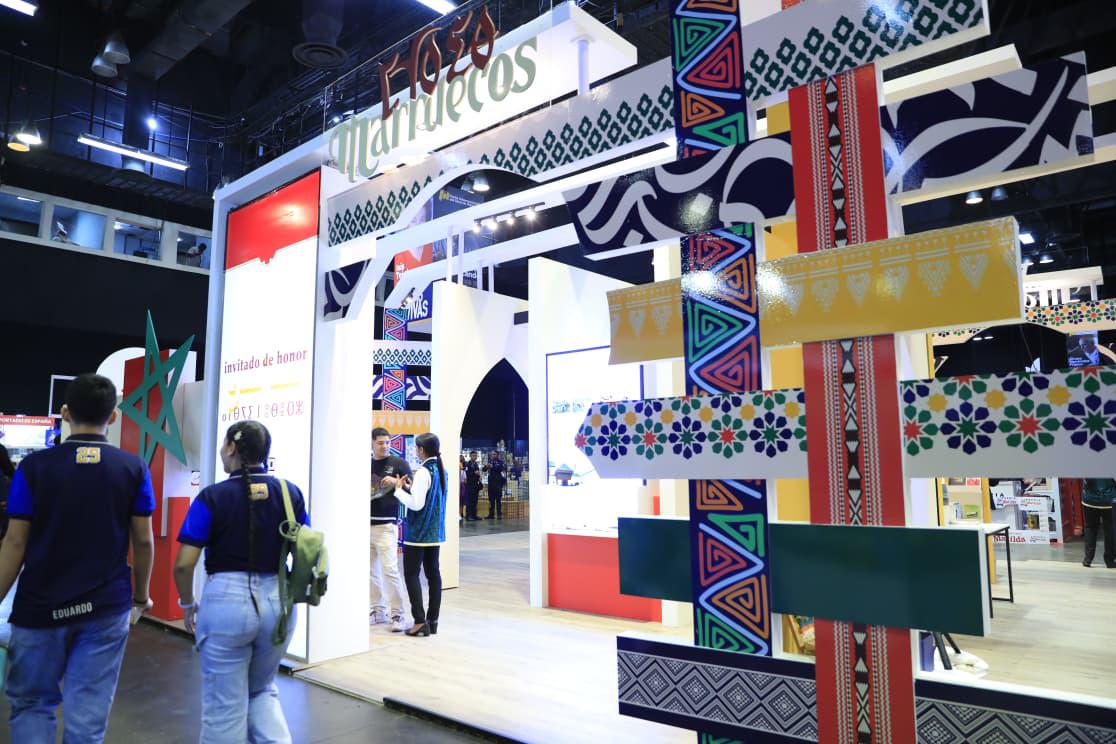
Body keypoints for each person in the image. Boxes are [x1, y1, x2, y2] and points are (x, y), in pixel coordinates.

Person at [0, 373, 155, 743]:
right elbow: (143, 541)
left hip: (39, 606)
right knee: (88, 714)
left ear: (65, 412)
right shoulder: (133, 468)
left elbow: (15, 542)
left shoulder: (33, 468)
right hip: (105, 607)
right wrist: (140, 597)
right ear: (113, 416)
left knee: (32, 704)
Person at [174, 420, 309, 743]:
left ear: (232, 448)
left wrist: (187, 603)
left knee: (224, 706)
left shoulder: (212, 497)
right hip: (279, 601)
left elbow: (184, 564)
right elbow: (306, 546)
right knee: (261, 690)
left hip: (226, 604)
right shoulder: (290, 493)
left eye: (224, 445)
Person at [395, 433, 448, 637]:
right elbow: (429, 498)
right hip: (434, 534)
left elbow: (417, 504)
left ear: (422, 450)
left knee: (411, 574)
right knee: (434, 575)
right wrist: (410, 487)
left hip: (418, 534)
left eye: (417, 448)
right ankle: (432, 621)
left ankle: (419, 621)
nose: (416, 451)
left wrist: (399, 490)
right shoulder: (441, 470)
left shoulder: (424, 472)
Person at [369, 427, 411, 632]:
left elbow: (412, 489)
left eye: (387, 442)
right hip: (364, 525)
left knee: (390, 570)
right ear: (372, 443)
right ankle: (377, 611)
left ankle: (398, 615)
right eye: (380, 443)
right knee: (370, 572)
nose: (384, 446)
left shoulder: (399, 463)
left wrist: (396, 482)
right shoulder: (364, 463)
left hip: (387, 526)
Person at [1081, 478, 1115, 569]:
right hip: (1109, 499)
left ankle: (1088, 559)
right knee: (1110, 529)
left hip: (1089, 498)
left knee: (1090, 527)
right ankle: (1110, 561)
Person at [463, 451, 482, 522]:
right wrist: (474, 473)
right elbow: (466, 473)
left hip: (475, 485)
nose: (475, 457)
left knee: (475, 500)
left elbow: (478, 473)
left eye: (476, 455)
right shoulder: (467, 464)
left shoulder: (476, 464)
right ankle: (468, 516)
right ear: (470, 456)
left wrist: (479, 475)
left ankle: (474, 515)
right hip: (469, 484)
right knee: (469, 500)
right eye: (473, 455)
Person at [486, 454, 506, 520]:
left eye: (494, 454)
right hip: (491, 484)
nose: (493, 455)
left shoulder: (501, 462)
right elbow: (484, 470)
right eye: (492, 454)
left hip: (498, 484)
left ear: (497, 455)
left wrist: (492, 467)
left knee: (498, 500)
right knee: (491, 500)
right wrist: (486, 466)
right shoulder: (490, 462)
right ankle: (491, 515)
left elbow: (499, 469)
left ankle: (499, 515)